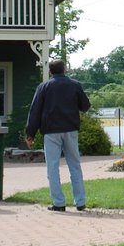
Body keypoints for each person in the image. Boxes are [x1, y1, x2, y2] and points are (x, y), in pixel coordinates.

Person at [25, 58, 92, 212]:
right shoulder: (74, 85)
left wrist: (30, 133)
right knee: (74, 165)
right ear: (65, 69)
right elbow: (85, 106)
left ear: (50, 71)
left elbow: (35, 111)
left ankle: (59, 203)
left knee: (53, 167)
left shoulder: (44, 87)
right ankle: (80, 201)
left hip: (51, 131)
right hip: (70, 129)